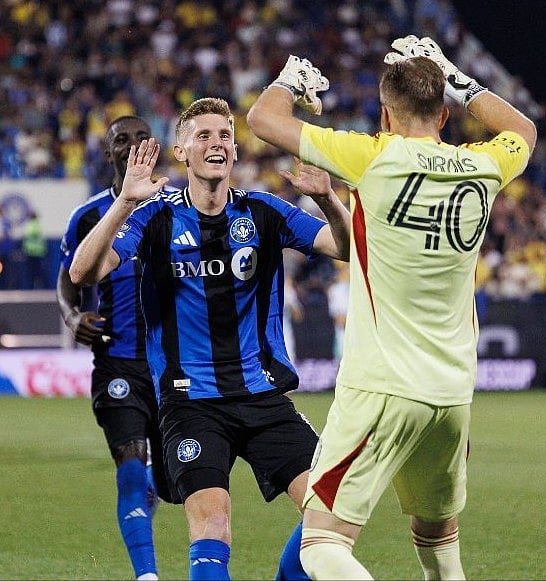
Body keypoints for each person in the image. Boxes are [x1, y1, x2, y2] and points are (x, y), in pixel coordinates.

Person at [246, 35, 536, 579]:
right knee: (438, 544)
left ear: (384, 113)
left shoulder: (372, 157)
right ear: (445, 115)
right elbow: (524, 130)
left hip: (381, 389)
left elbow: (263, 119)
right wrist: (455, 74)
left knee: (323, 546)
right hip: (451, 394)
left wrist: (289, 80)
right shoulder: (482, 166)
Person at [70, 97, 351, 580]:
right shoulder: (154, 215)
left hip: (263, 396)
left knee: (334, 512)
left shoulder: (264, 211)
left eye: (224, 135)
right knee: (212, 523)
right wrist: (123, 203)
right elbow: (83, 270)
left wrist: (327, 198)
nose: (216, 143)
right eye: (203, 135)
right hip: (190, 402)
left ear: (236, 151)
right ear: (181, 151)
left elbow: (345, 247)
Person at [58, 115, 170, 580]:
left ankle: (153, 492)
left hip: (174, 367)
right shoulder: (88, 216)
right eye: (121, 140)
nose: (131, 145)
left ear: (155, 148)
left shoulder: (175, 208)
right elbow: (67, 282)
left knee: (169, 481)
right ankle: (147, 574)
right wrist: (72, 316)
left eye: (141, 137)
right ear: (109, 153)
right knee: (129, 462)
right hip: (116, 362)